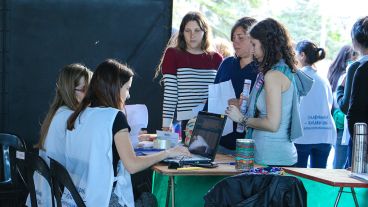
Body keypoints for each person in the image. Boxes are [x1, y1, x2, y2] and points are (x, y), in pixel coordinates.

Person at [64, 59, 189, 207]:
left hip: (73, 198)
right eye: (127, 88)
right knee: (149, 200)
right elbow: (132, 165)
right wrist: (168, 152)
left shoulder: (79, 114)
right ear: (115, 88)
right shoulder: (114, 117)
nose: (128, 95)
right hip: (103, 200)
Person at [226, 18, 311, 166]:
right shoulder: (279, 71)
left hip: (272, 158)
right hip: (272, 156)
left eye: (254, 44)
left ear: (266, 44)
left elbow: (272, 124)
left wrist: (241, 119)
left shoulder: (273, 75)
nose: (252, 50)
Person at [27, 64, 92, 207]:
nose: (89, 94)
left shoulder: (57, 113)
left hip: (44, 195)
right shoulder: (70, 118)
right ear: (70, 90)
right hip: (58, 196)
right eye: (84, 89)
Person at [156, 11, 223, 135]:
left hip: (213, 120)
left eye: (197, 30)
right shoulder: (173, 54)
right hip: (188, 121)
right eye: (188, 30)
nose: (192, 35)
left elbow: (221, 94)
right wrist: (166, 125)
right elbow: (170, 93)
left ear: (205, 32)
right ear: (182, 32)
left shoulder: (217, 58)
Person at [212, 17, 258, 154]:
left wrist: (244, 107)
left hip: (246, 145)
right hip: (219, 141)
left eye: (240, 37)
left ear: (254, 40)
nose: (235, 41)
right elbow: (212, 97)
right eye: (233, 37)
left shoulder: (262, 70)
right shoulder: (227, 63)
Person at [293, 40, 336, 168]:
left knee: (298, 177)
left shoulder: (298, 77)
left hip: (302, 134)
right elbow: (330, 104)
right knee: (319, 178)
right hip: (324, 134)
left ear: (302, 55)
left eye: (295, 53)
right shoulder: (323, 79)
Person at [327, 45, 358, 169]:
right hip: (343, 120)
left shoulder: (334, 73)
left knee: (339, 161)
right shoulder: (346, 75)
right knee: (341, 163)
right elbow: (343, 102)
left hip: (336, 119)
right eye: (353, 58)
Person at [346, 16, 368, 152]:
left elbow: (354, 114)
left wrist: (361, 153)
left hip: (363, 144)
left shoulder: (361, 68)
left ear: (355, 41)